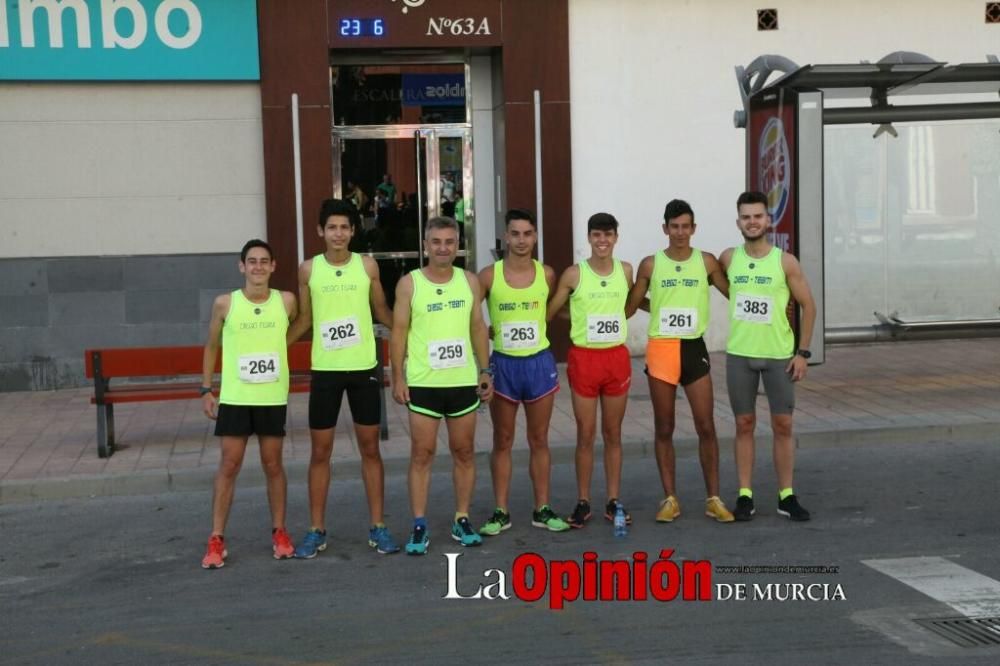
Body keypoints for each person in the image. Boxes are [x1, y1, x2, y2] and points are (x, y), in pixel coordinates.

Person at [286, 199, 398, 557]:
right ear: (321, 231)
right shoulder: (308, 270)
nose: (338, 233)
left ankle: (378, 527)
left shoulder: (367, 266)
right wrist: (272, 347)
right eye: (332, 227)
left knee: (370, 449)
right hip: (326, 372)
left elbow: (382, 311)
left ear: (353, 231)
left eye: (345, 227)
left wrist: (411, 341)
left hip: (364, 368)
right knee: (320, 452)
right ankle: (316, 529)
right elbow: (303, 320)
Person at [625, 200, 734, 524]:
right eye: (674, 227)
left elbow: (735, 295)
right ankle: (670, 498)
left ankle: (713, 498)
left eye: (686, 226)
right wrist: (655, 308)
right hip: (661, 348)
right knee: (664, 427)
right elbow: (630, 306)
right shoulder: (650, 264)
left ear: (694, 229)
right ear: (665, 229)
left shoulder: (706, 262)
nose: (680, 232)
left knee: (706, 425)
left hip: (693, 348)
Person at [391, 216, 493, 555]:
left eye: (449, 242)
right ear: (425, 245)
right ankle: (419, 523)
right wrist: (399, 376)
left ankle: (461, 517)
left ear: (457, 245)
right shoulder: (409, 283)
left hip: (462, 382)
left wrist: (485, 370)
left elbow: (478, 327)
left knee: (464, 452)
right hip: (424, 383)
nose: (443, 248)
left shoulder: (469, 281)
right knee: (422, 454)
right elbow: (399, 331)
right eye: (436, 242)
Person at [199, 239, 298, 569]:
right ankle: (216, 538)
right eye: (251, 261)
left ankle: (280, 532)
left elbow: (295, 328)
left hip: (271, 397)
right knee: (230, 464)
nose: (258, 267)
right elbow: (212, 346)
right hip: (236, 398)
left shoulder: (286, 302)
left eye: (264, 261)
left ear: (273, 267)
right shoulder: (225, 304)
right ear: (242, 266)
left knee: (273, 464)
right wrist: (206, 389)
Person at [719, 191, 817, 522]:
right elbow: (723, 287)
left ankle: (786, 495)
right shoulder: (729, 258)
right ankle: (745, 494)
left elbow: (809, 305)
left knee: (783, 424)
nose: (752, 222)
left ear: (768, 220)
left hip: (778, 355)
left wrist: (802, 353)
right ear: (738, 222)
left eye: (757, 216)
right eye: (746, 217)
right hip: (740, 354)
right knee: (743, 423)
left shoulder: (785, 261)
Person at [477, 209, 570, 537]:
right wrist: (481, 365)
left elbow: (554, 312)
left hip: (539, 364)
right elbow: (472, 320)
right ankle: (500, 511)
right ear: (506, 237)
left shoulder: (546, 274)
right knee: (502, 439)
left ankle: (541, 508)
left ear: (535, 237)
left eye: (527, 234)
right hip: (504, 364)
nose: (521, 240)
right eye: (514, 234)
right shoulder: (488, 276)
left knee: (539, 438)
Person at [547, 213, 634, 528]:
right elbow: (551, 311)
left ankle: (613, 499)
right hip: (584, 359)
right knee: (586, 434)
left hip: (615, 358)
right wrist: (580, 320)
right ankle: (583, 501)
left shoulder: (625, 270)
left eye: (608, 235)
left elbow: (631, 304)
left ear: (616, 237)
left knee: (613, 433)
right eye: (596, 235)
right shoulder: (573, 274)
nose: (602, 241)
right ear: (588, 238)